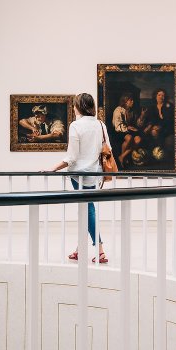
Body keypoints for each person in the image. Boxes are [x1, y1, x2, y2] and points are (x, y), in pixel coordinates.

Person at [47, 92, 109, 264]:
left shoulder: (76, 126)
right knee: (86, 209)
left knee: (88, 210)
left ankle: (100, 250)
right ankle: (80, 249)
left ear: (78, 107)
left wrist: (52, 169)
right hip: (95, 174)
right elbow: (107, 148)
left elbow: (72, 157)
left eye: (75, 105)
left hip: (79, 175)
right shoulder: (101, 125)